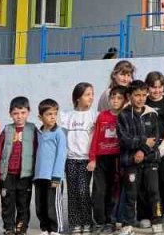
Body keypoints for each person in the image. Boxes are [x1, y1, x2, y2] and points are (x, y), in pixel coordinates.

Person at [117, 80, 164, 234]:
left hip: (150, 161)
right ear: (129, 96)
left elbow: (155, 139)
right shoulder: (123, 115)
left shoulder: (151, 113)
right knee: (131, 194)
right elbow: (125, 139)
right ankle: (128, 224)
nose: (141, 98)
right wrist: (144, 142)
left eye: (144, 95)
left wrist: (142, 151)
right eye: (137, 95)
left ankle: (156, 220)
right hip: (131, 162)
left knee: (153, 191)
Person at [0, 96, 37, 235]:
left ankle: (21, 229)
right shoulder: (7, 130)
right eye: (16, 113)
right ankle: (9, 228)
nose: (19, 116)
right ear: (10, 114)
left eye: (23, 112)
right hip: (7, 175)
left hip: (25, 175)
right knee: (7, 204)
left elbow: (37, 152)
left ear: (28, 112)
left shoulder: (32, 130)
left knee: (23, 204)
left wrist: (37, 173)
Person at [88, 86, 125, 232]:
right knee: (99, 191)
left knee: (114, 191)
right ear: (108, 99)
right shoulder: (102, 116)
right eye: (113, 97)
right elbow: (95, 138)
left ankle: (111, 220)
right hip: (102, 159)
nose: (115, 101)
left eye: (119, 98)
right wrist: (92, 158)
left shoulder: (125, 116)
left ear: (125, 100)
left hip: (117, 159)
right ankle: (99, 221)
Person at [61, 83, 96, 235]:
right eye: (87, 94)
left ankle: (87, 221)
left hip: (86, 160)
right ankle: (75, 223)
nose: (91, 97)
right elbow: (62, 138)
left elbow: (95, 140)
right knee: (73, 192)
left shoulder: (95, 115)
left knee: (83, 191)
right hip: (70, 159)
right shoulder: (67, 115)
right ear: (77, 98)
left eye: (92, 94)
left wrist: (93, 159)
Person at [142, 73, 164, 221]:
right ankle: (146, 212)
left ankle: (161, 209)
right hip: (146, 147)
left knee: (163, 179)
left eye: (159, 87)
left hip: (163, 146)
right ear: (148, 88)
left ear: (163, 87)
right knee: (146, 181)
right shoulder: (144, 101)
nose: (156, 90)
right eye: (153, 87)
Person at [33, 99, 68, 235]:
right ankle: (45, 228)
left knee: (53, 205)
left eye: (55, 114)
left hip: (53, 177)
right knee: (41, 205)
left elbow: (61, 156)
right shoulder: (39, 133)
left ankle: (55, 229)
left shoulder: (58, 133)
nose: (53, 117)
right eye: (49, 114)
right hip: (39, 176)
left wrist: (56, 177)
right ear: (40, 117)